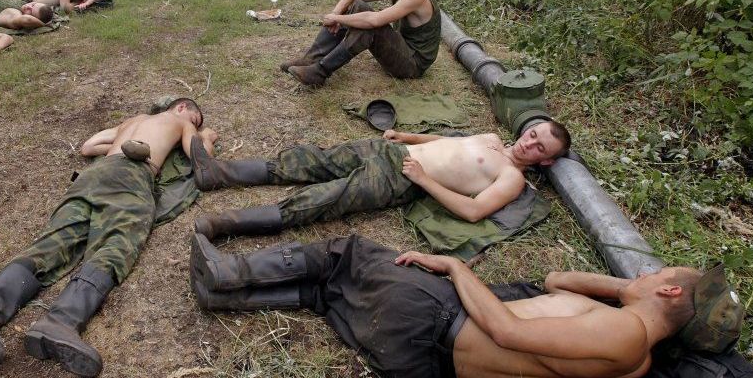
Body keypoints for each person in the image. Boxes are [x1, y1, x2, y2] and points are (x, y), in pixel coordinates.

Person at [190, 233, 744, 378]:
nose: (648, 274)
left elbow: (505, 328)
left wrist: (457, 268)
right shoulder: (630, 343)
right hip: (418, 360)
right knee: (322, 294)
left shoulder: (625, 335)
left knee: (346, 254)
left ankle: (228, 274)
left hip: (434, 322)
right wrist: (635, 286)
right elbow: (555, 281)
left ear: (670, 296)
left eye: (660, 274)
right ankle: (222, 297)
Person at [0, 98, 217, 378]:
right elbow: (201, 159)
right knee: (116, 244)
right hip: (131, 178)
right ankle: (61, 321)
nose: (194, 126)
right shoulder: (180, 121)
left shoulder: (131, 121)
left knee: (53, 243)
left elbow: (88, 147)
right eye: (196, 119)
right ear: (182, 108)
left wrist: (118, 149)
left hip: (92, 176)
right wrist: (205, 136)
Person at [191, 121, 571, 240]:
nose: (530, 142)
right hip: (391, 152)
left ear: (548, 160)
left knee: (324, 198)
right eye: (534, 133)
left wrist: (424, 181)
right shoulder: (491, 140)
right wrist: (407, 137)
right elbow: (446, 142)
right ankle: (217, 173)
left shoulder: (512, 179)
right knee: (312, 160)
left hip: (401, 178)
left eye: (540, 147)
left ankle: (225, 224)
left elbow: (473, 212)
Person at [281, 0, 440, 87]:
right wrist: (335, 14)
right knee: (357, 4)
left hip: (413, 65)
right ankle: (311, 59)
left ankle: (320, 72)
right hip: (402, 48)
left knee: (369, 27)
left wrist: (337, 19)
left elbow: (374, 20)